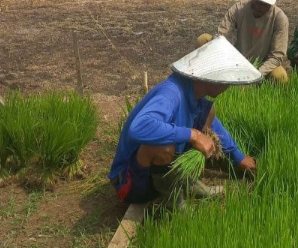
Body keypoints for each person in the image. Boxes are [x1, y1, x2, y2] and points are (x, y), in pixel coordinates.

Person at [109, 36, 259, 208]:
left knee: (209, 111)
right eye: (226, 80)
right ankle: (174, 203)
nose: (228, 86)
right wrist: (194, 135)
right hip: (130, 181)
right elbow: (140, 127)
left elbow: (214, 125)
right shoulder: (171, 94)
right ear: (211, 78)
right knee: (163, 146)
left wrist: (238, 157)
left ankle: (185, 182)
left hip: (158, 171)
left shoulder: (195, 95)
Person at [197, 0, 290, 84]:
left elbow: (276, 56)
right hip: (236, 60)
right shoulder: (238, 9)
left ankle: (260, 87)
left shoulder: (280, 19)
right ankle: (205, 79)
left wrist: (255, 76)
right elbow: (220, 37)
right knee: (204, 40)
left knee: (280, 76)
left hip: (261, 65)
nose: (260, 6)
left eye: (266, 3)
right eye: (259, 0)